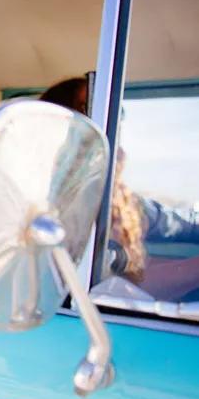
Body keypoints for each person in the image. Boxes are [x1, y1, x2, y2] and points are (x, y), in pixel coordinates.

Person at [40, 78, 199, 301]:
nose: (109, 122)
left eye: (115, 115)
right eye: (86, 110)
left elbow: (175, 224)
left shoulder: (122, 201)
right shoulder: (46, 210)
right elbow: (117, 287)